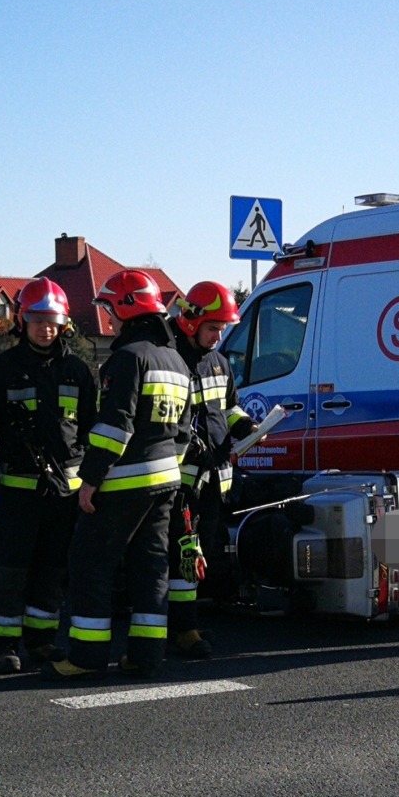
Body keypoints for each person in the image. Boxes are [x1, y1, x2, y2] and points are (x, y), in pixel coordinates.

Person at [59, 269, 189, 680]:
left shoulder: (128, 358)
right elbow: (184, 432)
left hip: (124, 483)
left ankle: (86, 657)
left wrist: (91, 480)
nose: (108, 320)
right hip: (166, 481)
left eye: (109, 310)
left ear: (126, 308)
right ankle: (146, 657)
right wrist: (168, 469)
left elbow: (116, 426)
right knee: (151, 569)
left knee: (90, 564)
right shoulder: (176, 361)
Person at [0, 278, 96, 675]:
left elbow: (93, 434)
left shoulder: (78, 372)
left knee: (52, 571)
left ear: (64, 325)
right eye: (38, 320)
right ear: (21, 321)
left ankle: (41, 640)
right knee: (10, 570)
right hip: (17, 493)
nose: (46, 328)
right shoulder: (2, 371)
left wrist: (94, 483)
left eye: (53, 321)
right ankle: (2, 646)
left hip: (65, 495)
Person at [168, 281, 256, 658]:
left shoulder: (219, 363)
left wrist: (249, 427)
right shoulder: (171, 361)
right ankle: (184, 630)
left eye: (222, 329)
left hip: (215, 480)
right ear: (190, 321)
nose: (218, 336)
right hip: (183, 481)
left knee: (203, 552)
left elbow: (229, 407)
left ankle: (190, 622)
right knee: (184, 554)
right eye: (213, 328)